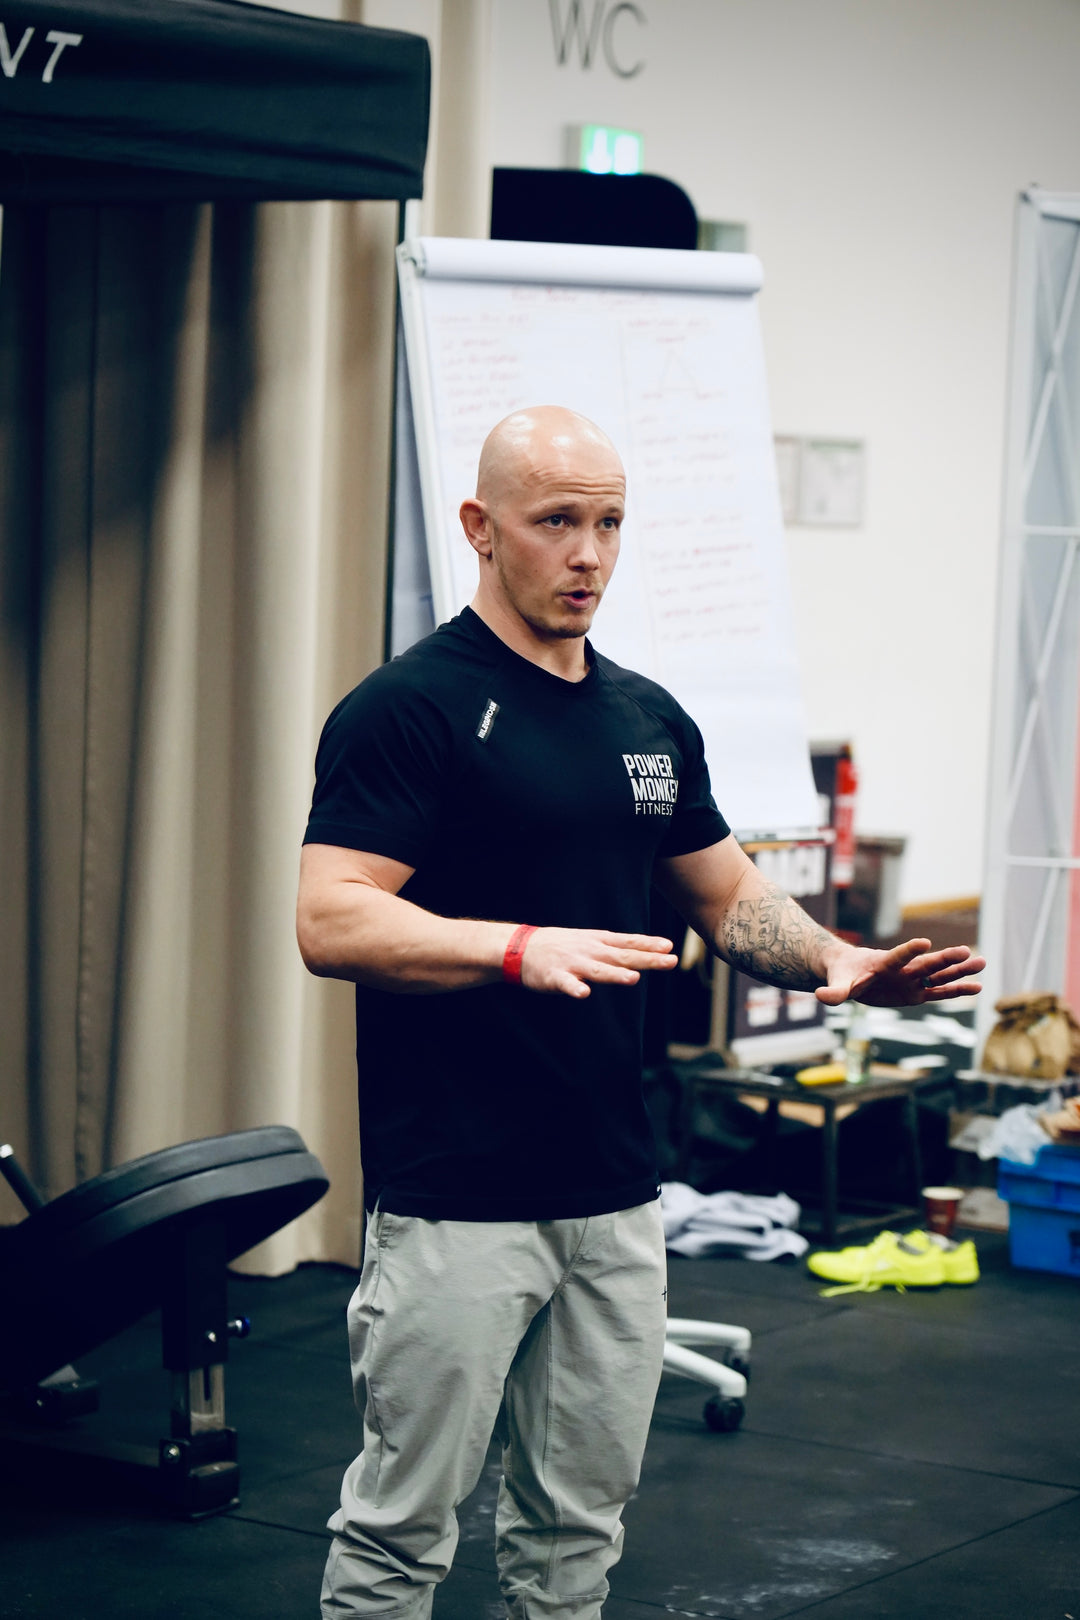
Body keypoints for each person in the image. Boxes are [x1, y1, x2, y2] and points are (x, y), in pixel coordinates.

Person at [297, 406, 984, 1620]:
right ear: (481, 527)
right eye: (557, 521)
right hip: (458, 1191)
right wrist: (514, 946)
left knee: (577, 1533)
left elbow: (724, 892)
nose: (589, 553)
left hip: (614, 1190)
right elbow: (333, 917)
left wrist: (837, 961)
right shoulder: (409, 711)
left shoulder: (648, 720)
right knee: (404, 1534)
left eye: (609, 522)